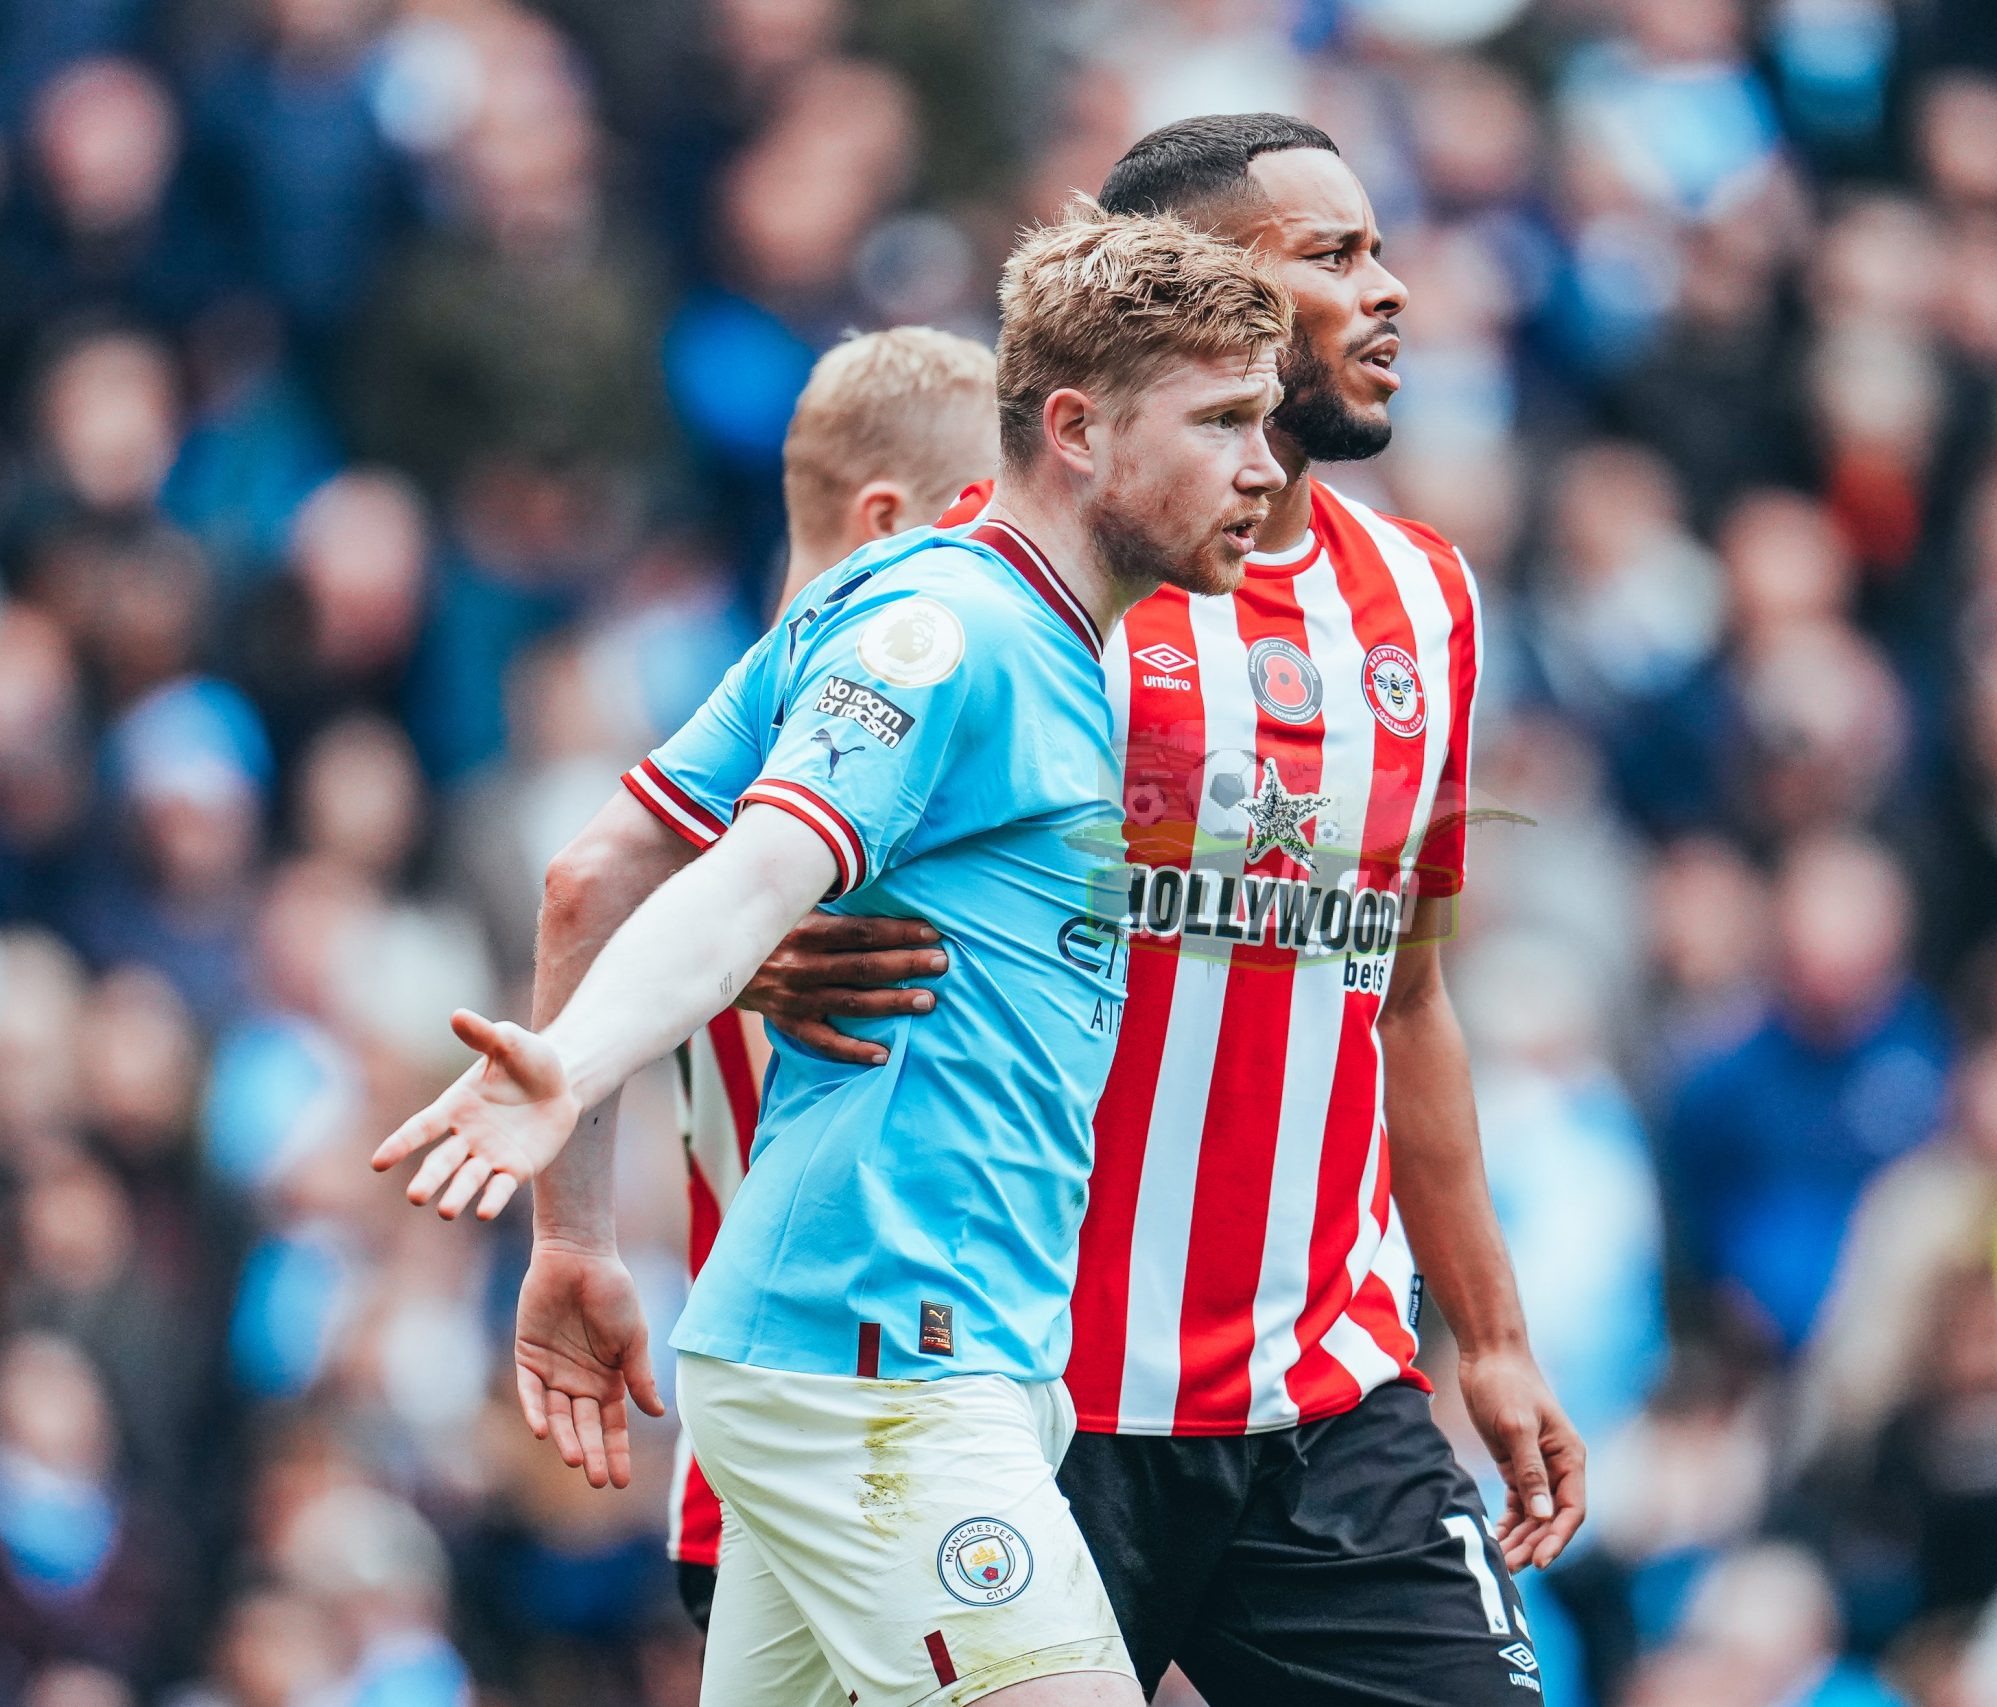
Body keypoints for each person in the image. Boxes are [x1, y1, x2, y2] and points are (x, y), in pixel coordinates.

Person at [555, 112, 1586, 1703]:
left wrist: (1494, 1335)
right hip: (1025, 1386)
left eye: (1382, 250)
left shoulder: (1427, 605)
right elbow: (709, 839)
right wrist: (752, 956)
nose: (1390, 293)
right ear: (1197, 295)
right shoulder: (1031, 586)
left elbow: (1408, 996)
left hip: (1324, 1397)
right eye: (1335, 257)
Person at [371, 207, 1292, 1707]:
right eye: (1225, 420)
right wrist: (576, 1072)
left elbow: (592, 876)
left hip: (901, 1355)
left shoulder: (1006, 630)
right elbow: (743, 885)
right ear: (1075, 429)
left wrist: (576, 1240)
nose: (1264, 464)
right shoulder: (948, 628)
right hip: (880, 1367)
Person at [638, 324, 999, 1632]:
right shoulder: (853, 739)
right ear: (889, 519)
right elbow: (587, 897)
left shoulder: (712, 744)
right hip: (867, 1428)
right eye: (992, 514)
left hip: (788, 1447)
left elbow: (589, 898)